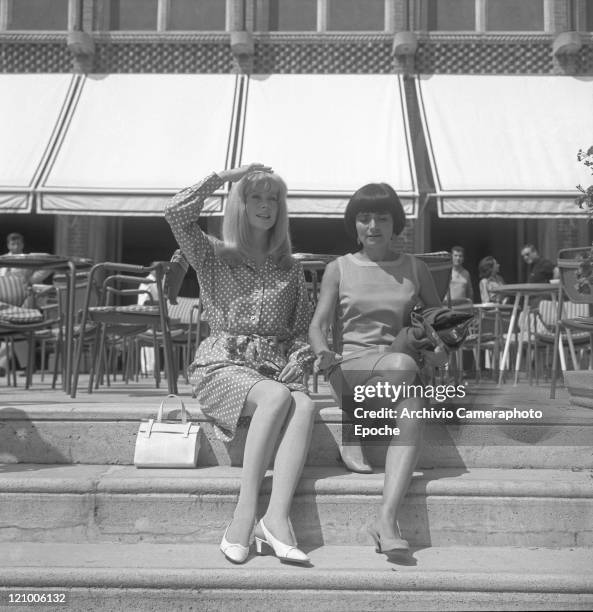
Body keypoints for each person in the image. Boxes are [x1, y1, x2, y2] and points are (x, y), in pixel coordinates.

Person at [165, 163, 316, 566]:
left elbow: (300, 331)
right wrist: (227, 176)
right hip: (222, 363)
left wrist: (300, 359)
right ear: (241, 203)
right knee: (277, 397)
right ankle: (243, 515)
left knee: (305, 404)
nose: (266, 205)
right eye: (256, 197)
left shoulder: (291, 268)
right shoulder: (212, 253)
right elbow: (176, 211)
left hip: (271, 366)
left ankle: (277, 518)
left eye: (273, 198)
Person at [309, 182, 443, 557]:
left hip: (398, 374)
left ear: (395, 223)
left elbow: (438, 322)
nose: (373, 225)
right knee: (403, 365)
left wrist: (442, 350)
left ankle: (385, 518)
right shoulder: (339, 268)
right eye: (364, 218)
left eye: (382, 217)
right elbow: (317, 326)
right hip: (349, 368)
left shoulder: (415, 268)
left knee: (412, 401)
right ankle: (353, 411)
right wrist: (323, 356)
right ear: (354, 225)